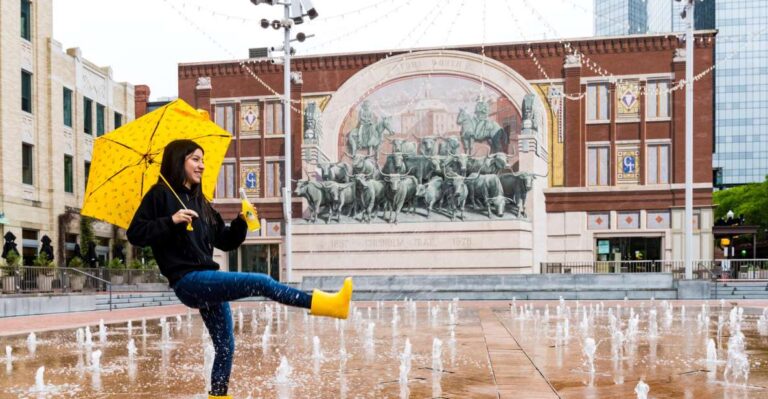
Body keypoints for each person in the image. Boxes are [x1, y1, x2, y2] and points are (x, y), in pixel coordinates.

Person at [127, 139, 352, 399]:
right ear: (179, 161)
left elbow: (225, 240)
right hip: (188, 281)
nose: (202, 165)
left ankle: (218, 395)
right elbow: (135, 234)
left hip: (207, 281)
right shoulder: (160, 195)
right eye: (195, 159)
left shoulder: (201, 202)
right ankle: (327, 305)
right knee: (261, 282)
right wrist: (171, 220)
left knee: (225, 346)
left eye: (202, 159)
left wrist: (242, 222)